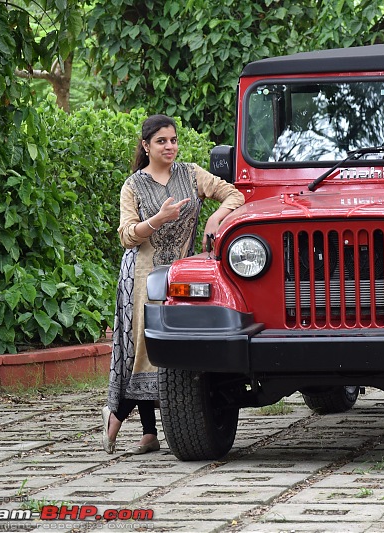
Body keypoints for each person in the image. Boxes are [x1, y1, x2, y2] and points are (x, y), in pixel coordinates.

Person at [102, 114, 245, 454]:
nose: (170, 147)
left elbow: (235, 195)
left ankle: (118, 415)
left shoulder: (191, 174)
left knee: (177, 349)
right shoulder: (134, 185)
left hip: (181, 275)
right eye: (161, 141)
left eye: (173, 140)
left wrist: (214, 216)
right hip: (142, 274)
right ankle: (148, 432)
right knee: (144, 349)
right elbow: (125, 236)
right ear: (146, 145)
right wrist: (156, 220)